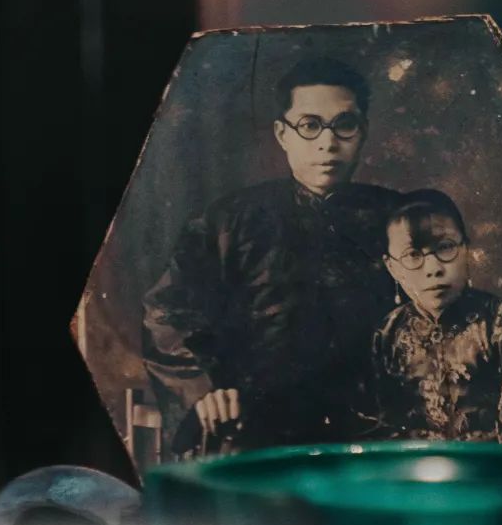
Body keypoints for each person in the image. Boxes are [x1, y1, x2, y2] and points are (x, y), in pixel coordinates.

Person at [143, 56, 398, 457]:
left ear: (362, 131)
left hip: (372, 435)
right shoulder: (228, 222)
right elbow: (165, 315)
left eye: (344, 125)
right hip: (252, 432)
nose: (327, 143)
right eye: (309, 125)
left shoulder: (397, 217)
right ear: (283, 134)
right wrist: (203, 392)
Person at [370, 189, 502, 444]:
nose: (434, 269)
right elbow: (382, 430)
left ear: (466, 249)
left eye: (445, 247)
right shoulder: (387, 334)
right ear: (392, 267)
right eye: (413, 255)